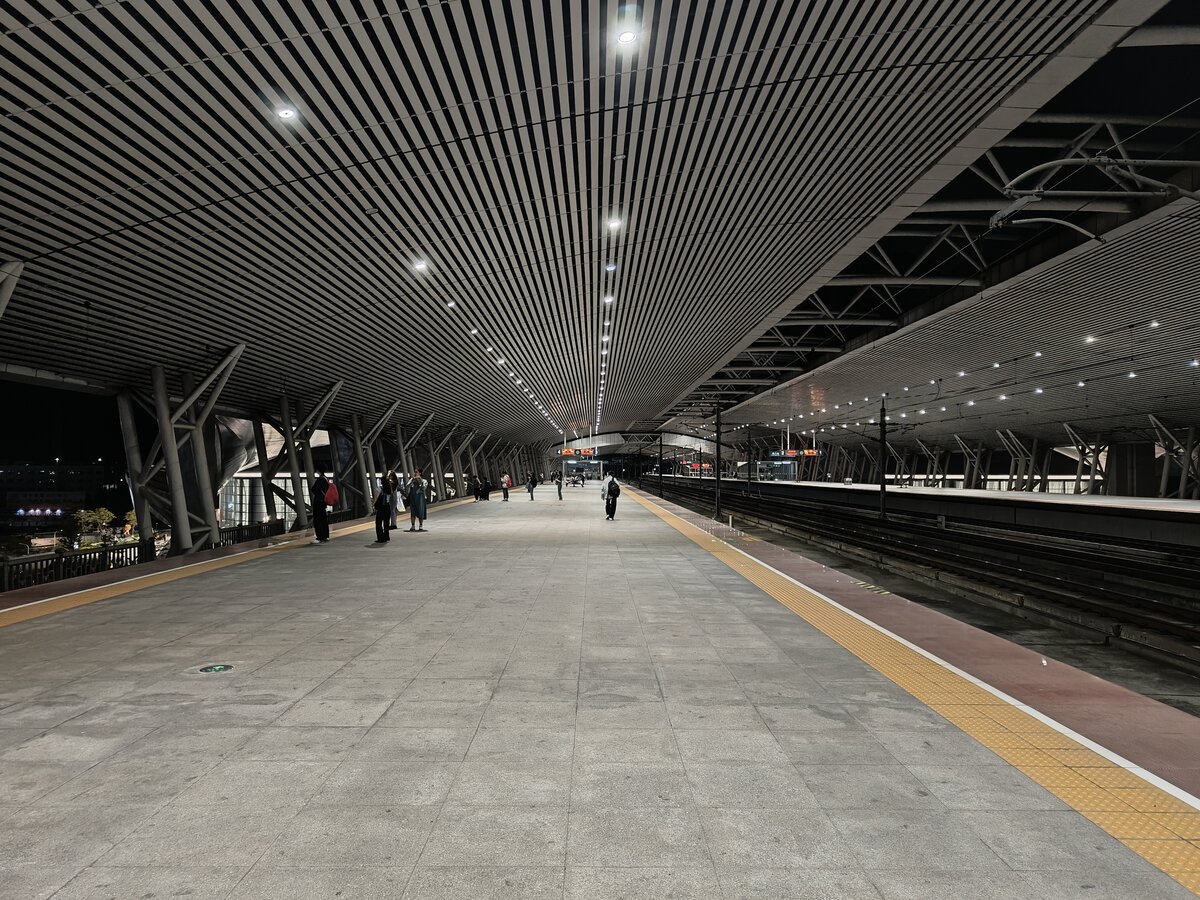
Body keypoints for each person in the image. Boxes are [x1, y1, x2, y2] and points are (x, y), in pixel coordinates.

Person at [310, 470, 331, 544]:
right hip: (324, 502)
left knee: (318, 519)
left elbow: (314, 489)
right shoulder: (326, 479)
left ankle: (320, 537)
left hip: (319, 501)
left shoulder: (320, 479)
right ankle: (326, 536)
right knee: (323, 519)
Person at [373, 475, 392, 543]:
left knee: (378, 523)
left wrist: (373, 505)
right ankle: (386, 536)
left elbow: (376, 497)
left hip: (381, 508)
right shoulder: (389, 488)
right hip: (387, 507)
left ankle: (380, 538)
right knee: (386, 523)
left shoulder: (380, 488)